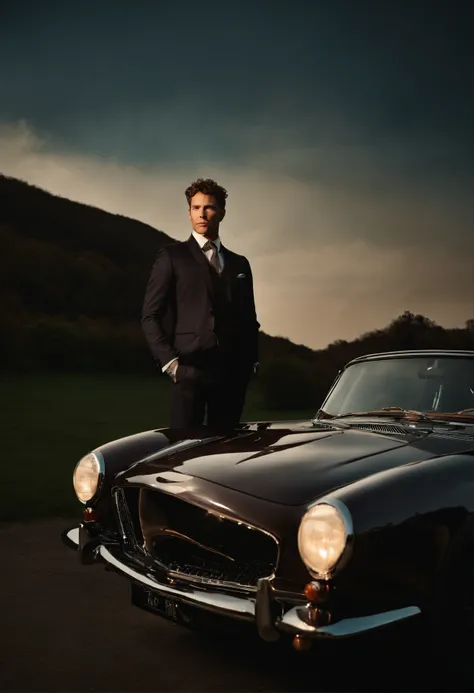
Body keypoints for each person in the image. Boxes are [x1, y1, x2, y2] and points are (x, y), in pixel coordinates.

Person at [141, 178, 260, 428]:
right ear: (189, 212)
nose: (202, 214)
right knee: (183, 454)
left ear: (222, 212)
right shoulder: (173, 256)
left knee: (225, 456)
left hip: (231, 377)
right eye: (196, 208)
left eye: (209, 207)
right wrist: (171, 365)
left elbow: (249, 320)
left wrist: (249, 364)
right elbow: (150, 316)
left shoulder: (240, 264)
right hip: (189, 370)